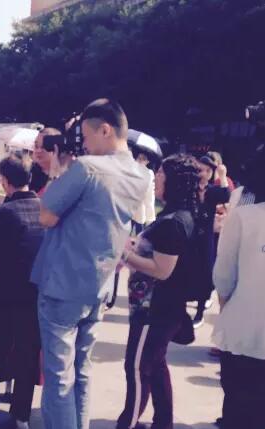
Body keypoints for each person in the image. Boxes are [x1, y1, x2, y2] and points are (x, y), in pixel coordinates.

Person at [31, 99, 149, 429]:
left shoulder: (87, 168)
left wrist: (60, 173)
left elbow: (46, 215)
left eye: (86, 136)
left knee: (59, 376)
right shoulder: (141, 175)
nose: (83, 144)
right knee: (82, 371)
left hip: (62, 284)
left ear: (105, 130)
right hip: (99, 284)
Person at [116, 154, 200, 429]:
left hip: (155, 311)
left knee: (137, 369)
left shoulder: (175, 222)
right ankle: (163, 423)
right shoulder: (175, 216)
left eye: (160, 173)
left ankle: (127, 424)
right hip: (158, 310)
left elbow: (162, 270)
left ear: (174, 180)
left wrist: (123, 254)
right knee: (155, 367)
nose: (156, 177)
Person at [0, 153, 44, 429]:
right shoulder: (46, 210)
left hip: (3, 295)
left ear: (3, 181)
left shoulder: (1, 214)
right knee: (27, 355)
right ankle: (21, 415)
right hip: (36, 294)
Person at [212, 145, 265, 429]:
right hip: (245, 335)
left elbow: (223, 278)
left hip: (245, 335)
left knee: (238, 411)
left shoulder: (245, 217)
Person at [189, 154, 230, 328]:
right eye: (201, 170)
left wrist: (222, 175)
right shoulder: (190, 188)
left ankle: (199, 312)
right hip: (190, 235)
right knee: (187, 269)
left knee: (205, 271)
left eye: (208, 171)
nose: (204, 173)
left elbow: (226, 195)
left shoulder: (213, 190)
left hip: (206, 237)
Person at [131, 151, 157, 235]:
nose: (140, 161)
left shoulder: (149, 173)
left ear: (147, 162)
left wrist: (150, 210)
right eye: (139, 158)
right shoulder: (131, 169)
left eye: (143, 159)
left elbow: (150, 192)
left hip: (141, 204)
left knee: (139, 227)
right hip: (129, 203)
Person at [29, 128, 60, 195]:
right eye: (36, 146)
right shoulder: (28, 172)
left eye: (44, 146)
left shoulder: (65, 175)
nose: (38, 150)